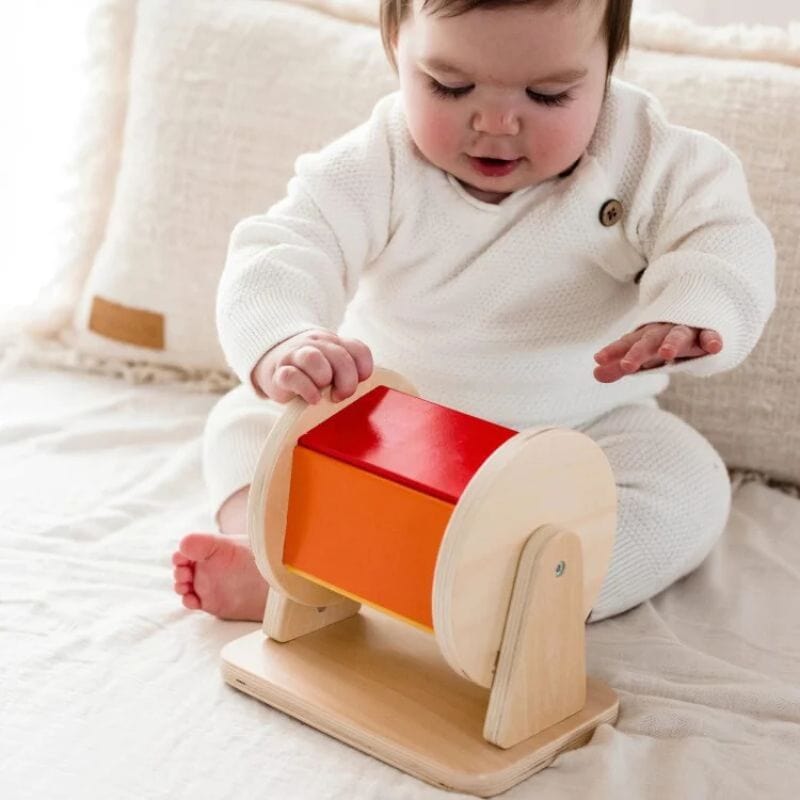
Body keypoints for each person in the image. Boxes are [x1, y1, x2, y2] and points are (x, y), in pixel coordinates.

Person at [171, 0, 775, 623]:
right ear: (396, 54)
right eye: (449, 87)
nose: (494, 122)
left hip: (577, 431)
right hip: (385, 423)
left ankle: (501, 594)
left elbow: (719, 235)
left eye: (546, 95)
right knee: (245, 420)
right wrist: (285, 339)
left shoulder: (649, 158)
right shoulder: (379, 159)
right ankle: (273, 558)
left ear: (607, 69)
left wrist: (695, 313)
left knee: (690, 483)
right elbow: (287, 245)